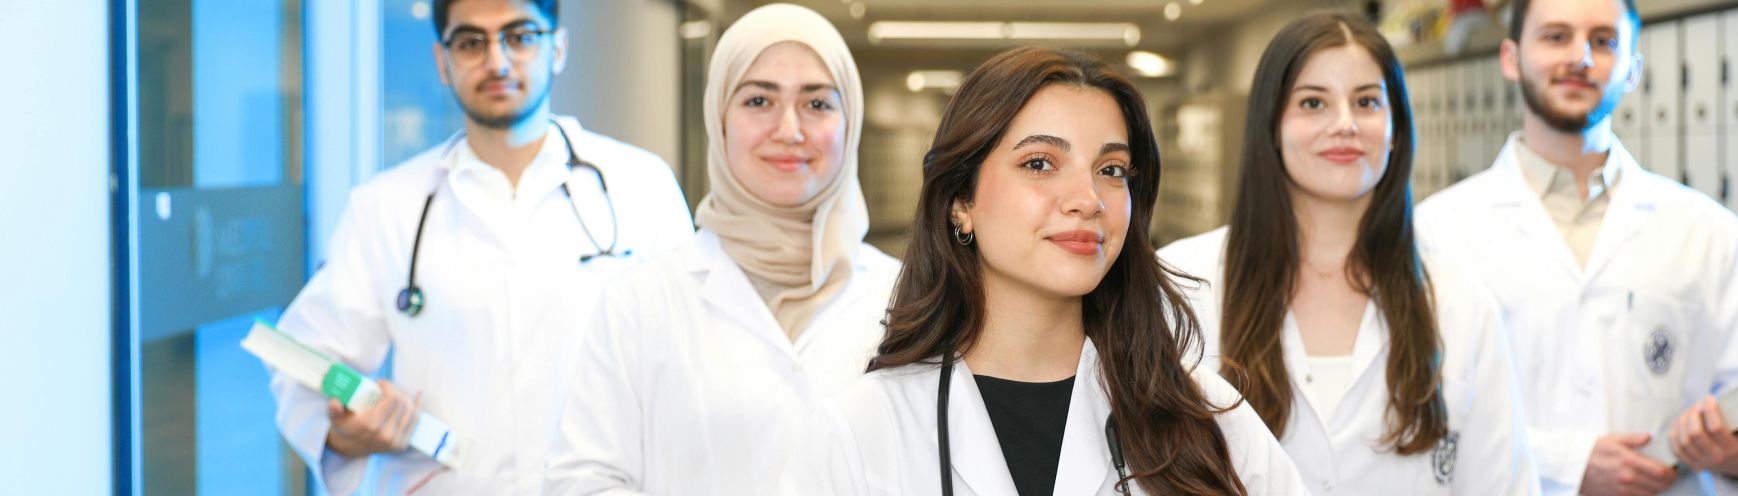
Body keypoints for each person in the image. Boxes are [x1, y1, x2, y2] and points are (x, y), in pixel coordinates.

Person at [779, 46, 1309, 495]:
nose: (1087, 198)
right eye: (1039, 163)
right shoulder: (862, 433)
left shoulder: (1209, 420)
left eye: (1111, 170)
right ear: (960, 201)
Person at [265, 0, 693, 493]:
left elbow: (690, 363)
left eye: (520, 36)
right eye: (471, 42)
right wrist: (345, 434)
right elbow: (305, 360)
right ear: (442, 62)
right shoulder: (387, 206)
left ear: (558, 48)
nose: (497, 61)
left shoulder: (640, 186)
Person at [1415, 0, 1738, 494]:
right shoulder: (1438, 230)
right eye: (1556, 37)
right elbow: (1419, 417)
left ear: (1632, 69)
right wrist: (1568, 463)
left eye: (1603, 41)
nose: (1580, 57)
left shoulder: (1708, 231)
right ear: (1511, 58)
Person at [1158, 11, 1537, 495]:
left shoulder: (1460, 301)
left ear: (1395, 126)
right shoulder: (1183, 284)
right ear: (1270, 126)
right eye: (1313, 102)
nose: (1344, 124)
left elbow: (1503, 485)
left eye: (1366, 102)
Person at [543, 4, 900, 495]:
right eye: (758, 101)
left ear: (849, 122)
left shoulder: (908, 299)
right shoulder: (640, 303)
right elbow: (584, 482)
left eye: (817, 103)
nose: (789, 130)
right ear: (720, 119)